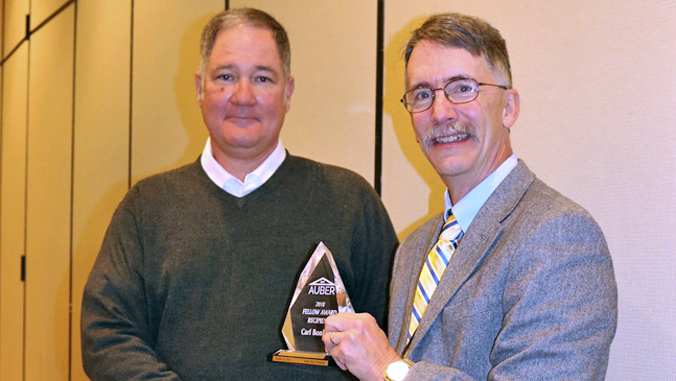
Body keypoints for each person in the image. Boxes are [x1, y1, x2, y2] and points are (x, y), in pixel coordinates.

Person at [81, 8, 397, 380]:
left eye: (262, 78)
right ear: (200, 88)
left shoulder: (350, 202)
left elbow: (393, 339)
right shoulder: (145, 208)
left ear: (288, 91)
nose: (243, 96)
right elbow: (106, 334)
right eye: (226, 77)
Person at [323, 13, 617, 381]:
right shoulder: (412, 249)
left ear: (509, 107)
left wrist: (388, 368)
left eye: (463, 88)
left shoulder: (559, 235)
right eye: (423, 95)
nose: (441, 112)